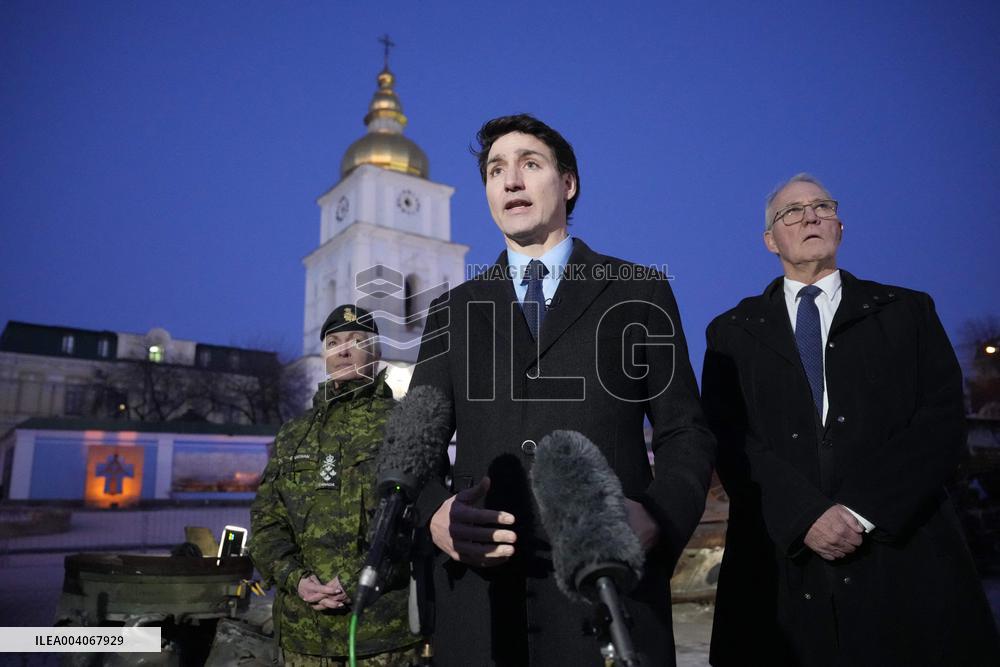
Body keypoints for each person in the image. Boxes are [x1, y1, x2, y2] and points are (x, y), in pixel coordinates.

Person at [409, 114, 716, 666]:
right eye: (495, 170)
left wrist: (659, 515)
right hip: (481, 605)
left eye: (530, 164)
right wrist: (434, 514)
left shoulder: (639, 290)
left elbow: (684, 429)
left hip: (606, 586)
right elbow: (414, 445)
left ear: (568, 184)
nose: (511, 180)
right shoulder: (450, 311)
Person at [703, 174, 1000, 666]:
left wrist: (859, 511)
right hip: (781, 563)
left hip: (901, 558)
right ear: (770, 240)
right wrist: (806, 516)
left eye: (822, 206)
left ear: (840, 225)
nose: (810, 216)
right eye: (791, 212)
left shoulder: (907, 311)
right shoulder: (732, 331)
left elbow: (940, 422)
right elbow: (728, 436)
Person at [250, 304, 420, 666]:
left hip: (379, 638)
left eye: (357, 341)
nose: (343, 350)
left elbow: (417, 521)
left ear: (375, 353)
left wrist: (359, 578)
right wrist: (295, 579)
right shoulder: (294, 434)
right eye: (334, 342)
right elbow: (266, 522)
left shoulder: (405, 424)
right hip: (302, 639)